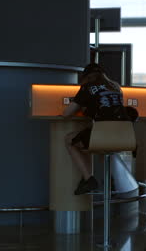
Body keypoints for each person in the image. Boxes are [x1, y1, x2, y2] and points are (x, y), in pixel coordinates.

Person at [62, 63, 129, 195]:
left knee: (69, 139)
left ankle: (89, 179)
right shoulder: (116, 88)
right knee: (87, 141)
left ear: (86, 77)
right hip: (125, 137)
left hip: (103, 137)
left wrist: (79, 104)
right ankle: (99, 177)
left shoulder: (87, 87)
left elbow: (66, 114)